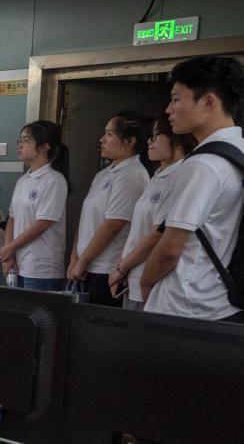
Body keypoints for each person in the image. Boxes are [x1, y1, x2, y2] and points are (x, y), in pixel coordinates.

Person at [143, 56, 244, 323]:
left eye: (176, 99)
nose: (169, 110)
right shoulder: (239, 152)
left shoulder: (203, 164)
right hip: (223, 301)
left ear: (209, 101)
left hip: (183, 304)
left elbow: (170, 248)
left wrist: (145, 281)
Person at [110, 114, 198, 310]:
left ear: (176, 139)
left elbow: (157, 234)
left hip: (151, 284)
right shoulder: (158, 176)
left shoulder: (180, 176)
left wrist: (122, 268)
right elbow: (139, 230)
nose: (150, 142)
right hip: (132, 278)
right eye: (150, 136)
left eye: (156, 136)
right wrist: (120, 265)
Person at [68, 111, 151, 306]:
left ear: (130, 141)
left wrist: (82, 261)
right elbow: (87, 219)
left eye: (109, 134)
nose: (102, 139)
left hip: (105, 270)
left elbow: (113, 225)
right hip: (85, 267)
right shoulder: (103, 174)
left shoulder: (131, 175)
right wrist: (74, 258)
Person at [1, 120, 70, 291]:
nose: (20, 145)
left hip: (42, 269)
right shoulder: (23, 180)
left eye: (26, 140)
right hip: (19, 263)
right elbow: (12, 218)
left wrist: (10, 247)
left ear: (44, 147)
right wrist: (8, 253)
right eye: (20, 140)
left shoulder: (54, 180)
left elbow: (42, 224)